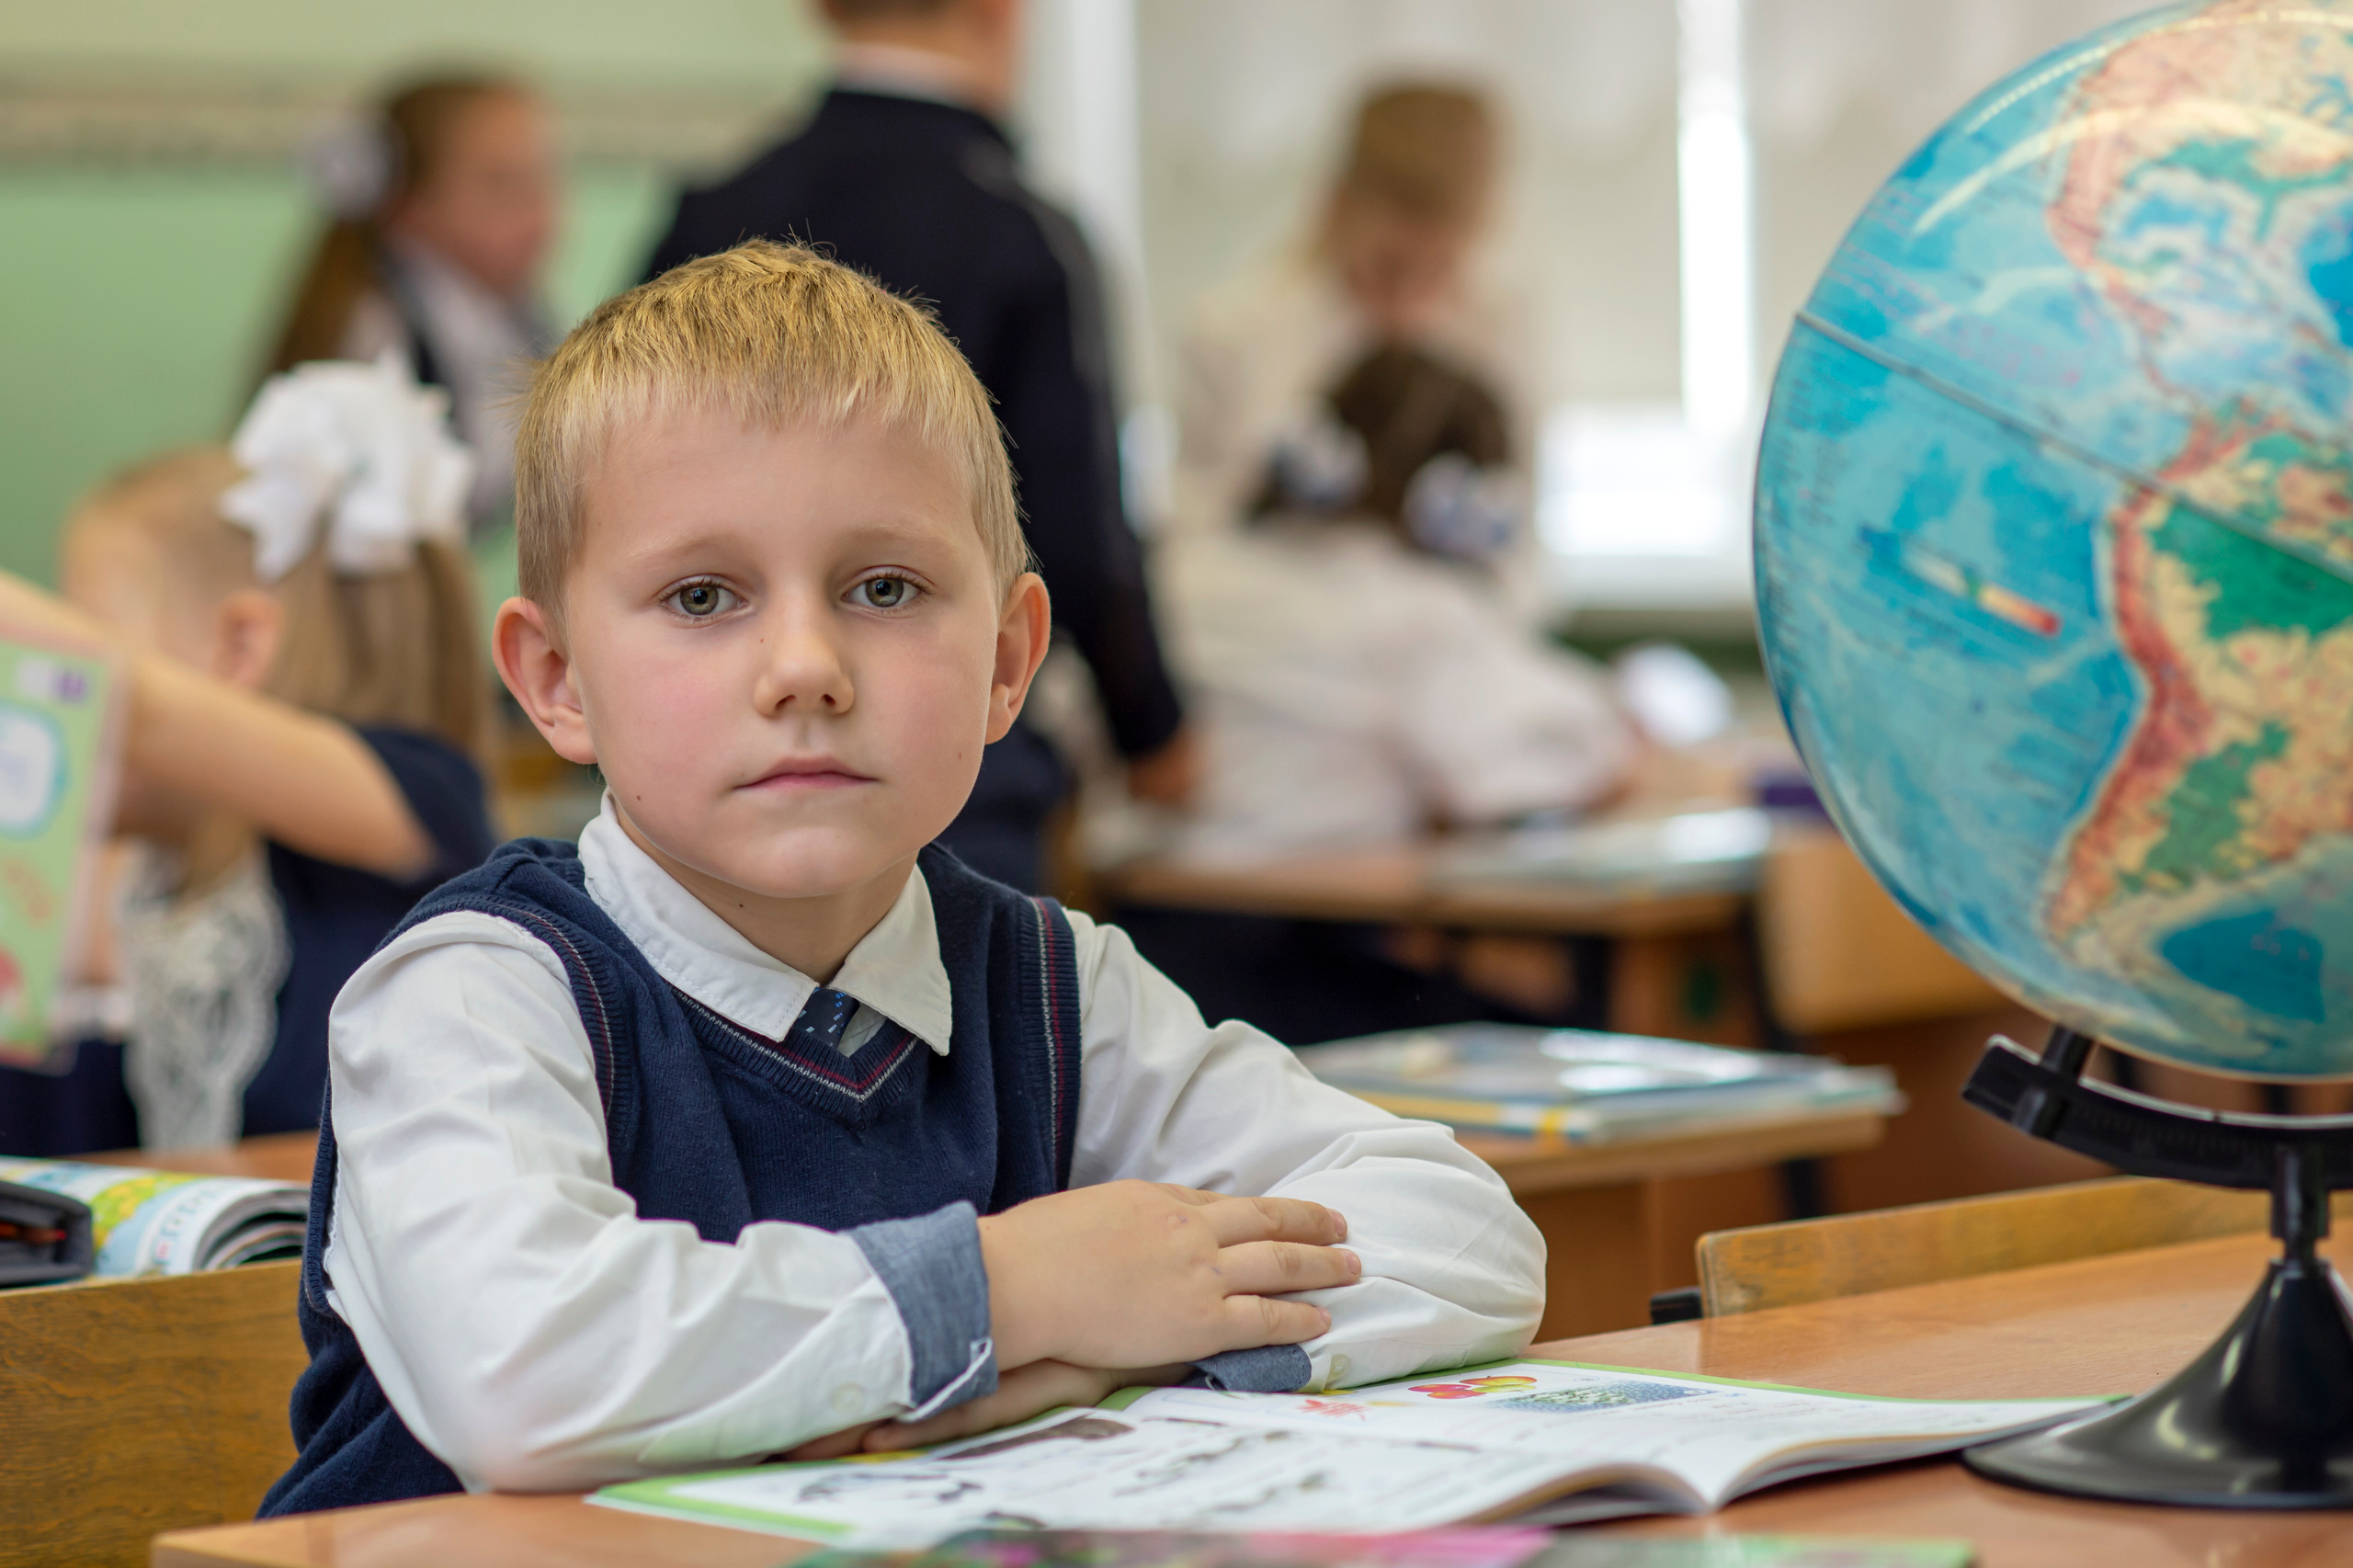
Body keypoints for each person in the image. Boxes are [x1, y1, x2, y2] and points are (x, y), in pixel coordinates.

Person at [259, 243, 1542, 1512]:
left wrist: (1092, 1355)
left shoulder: (1055, 988)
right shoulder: (473, 993)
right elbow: (526, 1373)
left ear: (1007, 657)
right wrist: (1005, 1293)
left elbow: (1465, 1234)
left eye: (886, 586)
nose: (806, 667)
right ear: (554, 679)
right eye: (704, 595)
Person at [642, 0, 1194, 892]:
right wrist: (1153, 728)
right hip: (943, 771)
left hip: (712, 764)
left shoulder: (711, 209)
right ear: (998, 11)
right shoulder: (1018, 230)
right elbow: (1075, 522)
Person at [0, 358, 495, 1154]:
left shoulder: (419, 798)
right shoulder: (159, 898)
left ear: (239, 645)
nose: (61, 694)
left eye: (88, 629)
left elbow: (146, 709)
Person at [1167, 343, 1635, 859]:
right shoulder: (1420, 609)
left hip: (1139, 904)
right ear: (1465, 502)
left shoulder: (1188, 570)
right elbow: (1526, 774)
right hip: (1308, 918)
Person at [1173, 85, 1536, 560]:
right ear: (1336, 205)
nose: (1408, 297)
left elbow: (1523, 562)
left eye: (1438, 270)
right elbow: (1194, 534)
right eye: (1390, 267)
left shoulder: (1503, 330)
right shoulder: (1230, 332)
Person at [264, 75, 560, 532]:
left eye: (542, 177)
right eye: (500, 184)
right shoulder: (370, 333)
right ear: (410, 204)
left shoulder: (516, 311)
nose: (540, 210)